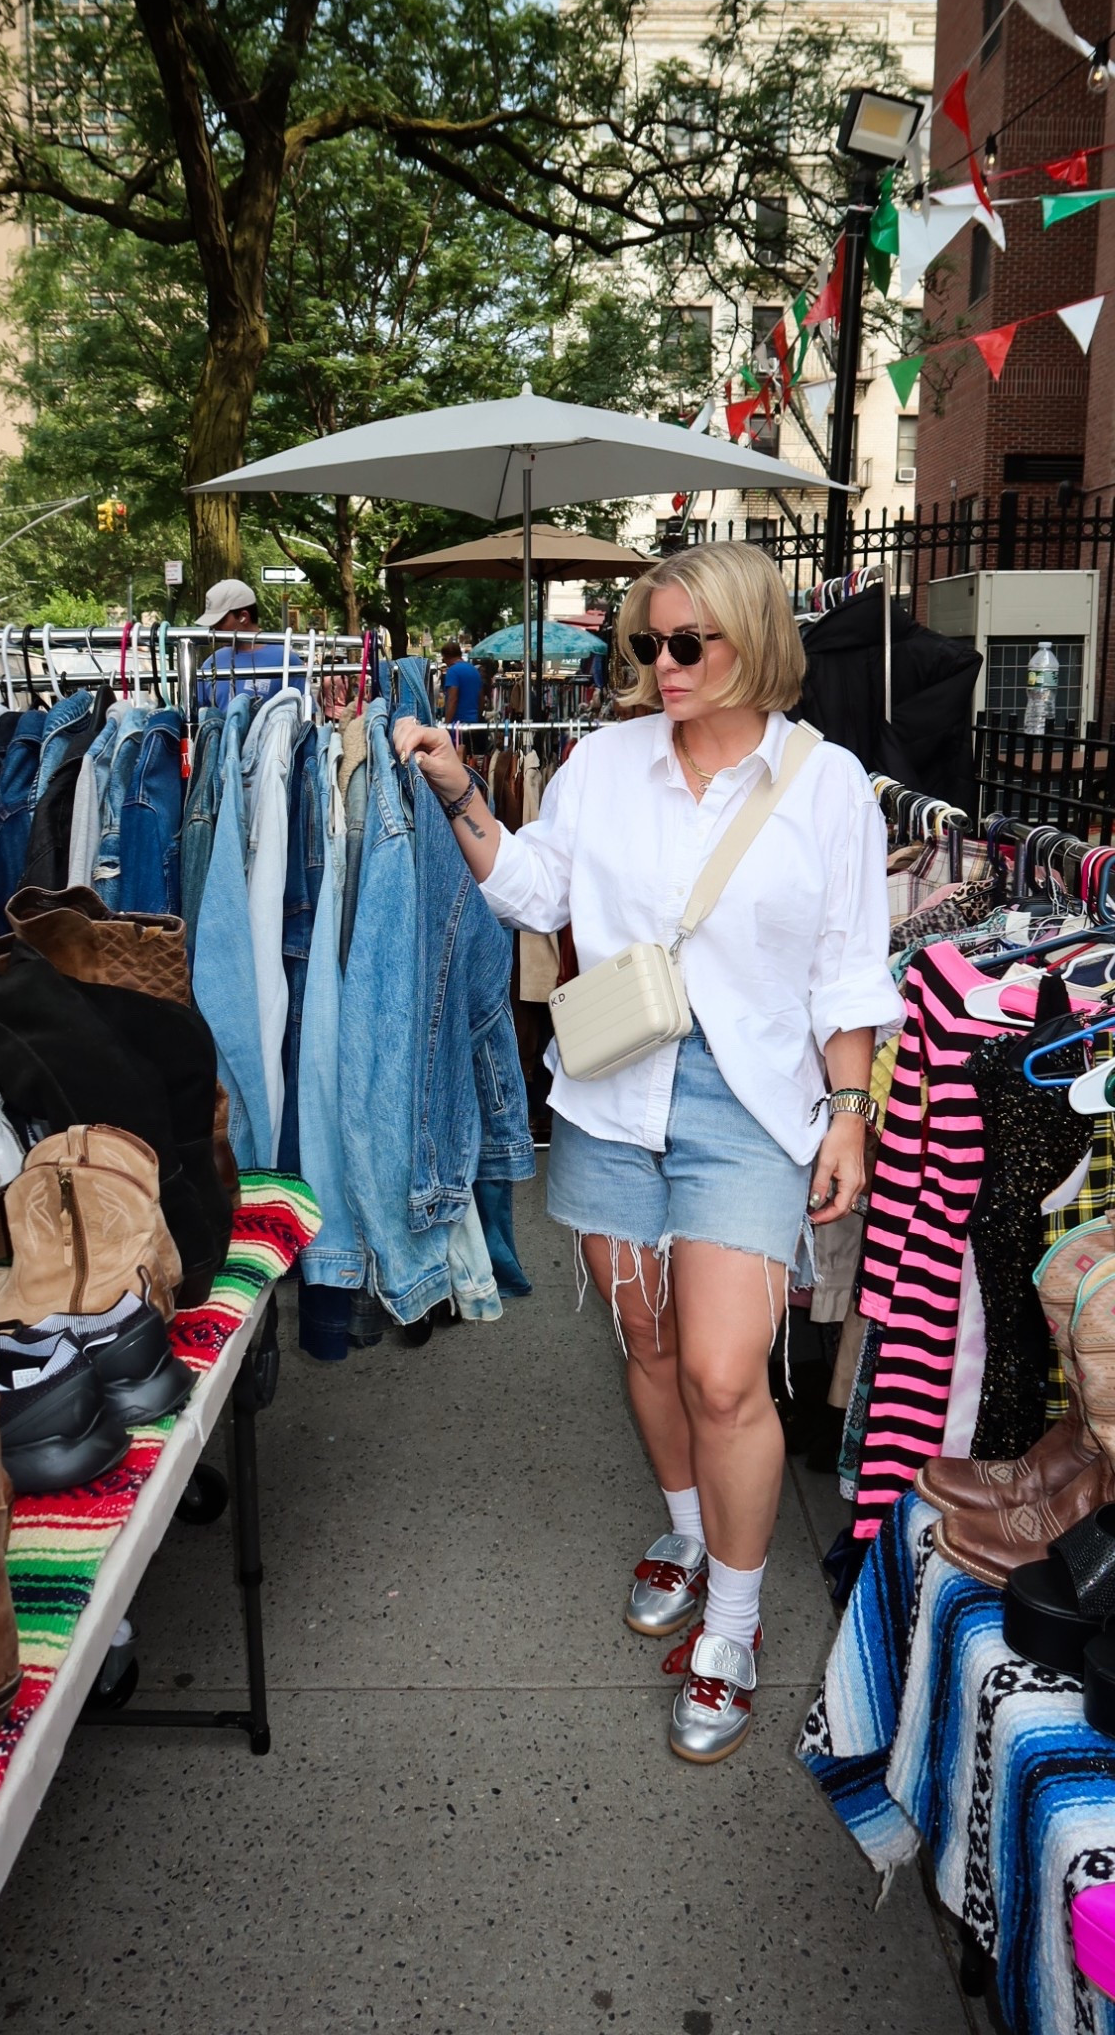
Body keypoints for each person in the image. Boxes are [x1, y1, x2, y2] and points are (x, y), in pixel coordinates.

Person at [393, 541, 902, 1764]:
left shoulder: (826, 782)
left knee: (726, 1374)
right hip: (614, 1088)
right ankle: (686, 1525)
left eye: (686, 642)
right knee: (650, 1340)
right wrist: (461, 791)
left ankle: (734, 1619)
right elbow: (534, 891)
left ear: (752, 638)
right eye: (646, 642)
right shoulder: (604, 763)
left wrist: (849, 1108)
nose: (661, 665)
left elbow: (847, 966)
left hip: (751, 1101)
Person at [195, 579, 294, 708]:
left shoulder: (286, 660)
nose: (214, 628)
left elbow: (306, 715)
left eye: (220, 621)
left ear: (244, 617)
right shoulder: (210, 663)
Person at [439, 640, 484, 725]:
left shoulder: (452, 671)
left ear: (446, 657)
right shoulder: (474, 670)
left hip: (458, 724)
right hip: (474, 723)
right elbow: (481, 698)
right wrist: (477, 718)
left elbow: (453, 699)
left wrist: (446, 724)